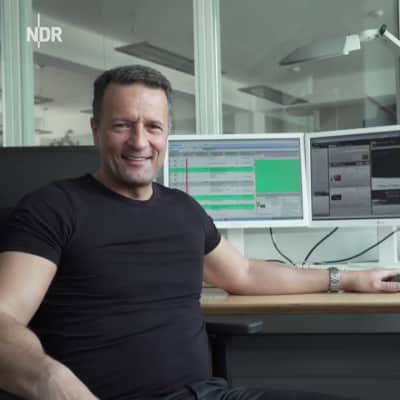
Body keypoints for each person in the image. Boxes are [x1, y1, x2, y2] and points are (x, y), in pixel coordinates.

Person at [0, 65, 399, 400]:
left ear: (167, 134)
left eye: (153, 126)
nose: (139, 141)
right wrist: (50, 379)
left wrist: (347, 278)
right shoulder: (53, 208)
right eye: (122, 125)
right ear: (96, 129)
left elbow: (245, 274)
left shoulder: (183, 209)